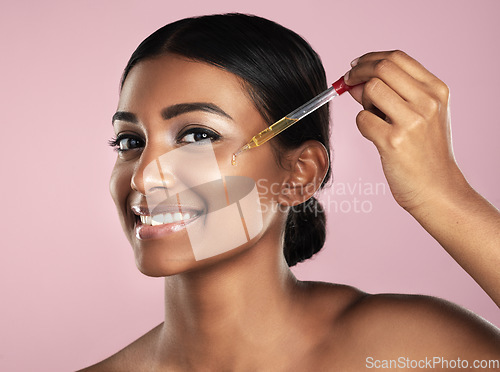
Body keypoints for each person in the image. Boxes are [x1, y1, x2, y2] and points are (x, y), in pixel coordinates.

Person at [79, 13, 500, 371]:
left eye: (196, 136)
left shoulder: (406, 352)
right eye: (130, 142)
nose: (144, 178)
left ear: (299, 174)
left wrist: (443, 195)